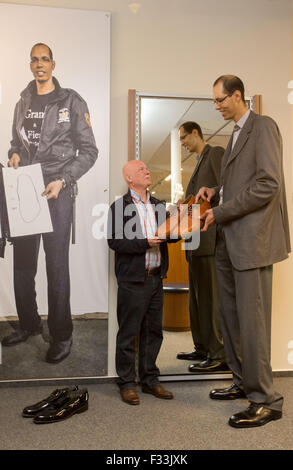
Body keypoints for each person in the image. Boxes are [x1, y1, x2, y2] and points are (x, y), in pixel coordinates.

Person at [195, 75, 291, 428]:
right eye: (215, 101)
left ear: (238, 96)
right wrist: (215, 191)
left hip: (253, 243)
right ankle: (243, 381)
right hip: (228, 241)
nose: (217, 106)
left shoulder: (263, 127)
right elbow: (240, 185)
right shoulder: (234, 133)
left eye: (221, 100)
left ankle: (267, 400)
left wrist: (219, 211)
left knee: (252, 324)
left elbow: (268, 183)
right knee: (231, 320)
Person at [1, 43, 98, 363]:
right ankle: (29, 324)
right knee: (23, 264)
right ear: (30, 65)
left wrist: (65, 180)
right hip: (25, 188)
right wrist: (14, 153)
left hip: (57, 191)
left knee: (56, 267)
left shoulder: (71, 100)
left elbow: (89, 151)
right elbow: (17, 142)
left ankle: (62, 335)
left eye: (45, 59)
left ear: (53, 64)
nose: (39, 64)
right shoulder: (23, 101)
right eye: (34, 60)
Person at [108, 160, 174, 405]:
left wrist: (179, 227)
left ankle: (150, 380)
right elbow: (115, 242)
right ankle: (126, 383)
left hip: (155, 278)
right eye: (141, 170)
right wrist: (145, 241)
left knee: (153, 332)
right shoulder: (118, 207)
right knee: (128, 333)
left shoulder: (159, 205)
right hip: (132, 281)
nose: (147, 171)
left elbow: (169, 236)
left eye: (147, 168)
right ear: (129, 179)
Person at [176, 121, 227, 372]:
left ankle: (218, 354)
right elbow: (199, 199)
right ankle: (202, 348)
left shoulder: (215, 153)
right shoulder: (196, 163)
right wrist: (184, 202)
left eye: (184, 137)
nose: (182, 143)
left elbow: (224, 191)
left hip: (209, 239)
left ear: (196, 132)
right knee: (196, 300)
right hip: (194, 242)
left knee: (211, 299)